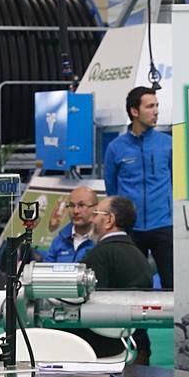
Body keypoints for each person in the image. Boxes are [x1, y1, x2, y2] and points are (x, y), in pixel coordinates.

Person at [103, 85, 173, 288]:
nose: (156, 111)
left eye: (157, 106)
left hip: (164, 225)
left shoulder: (168, 144)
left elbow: (176, 181)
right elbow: (112, 188)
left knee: (171, 284)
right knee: (135, 285)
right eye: (150, 106)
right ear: (135, 111)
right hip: (131, 229)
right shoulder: (116, 148)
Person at [80, 196, 153, 361]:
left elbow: (83, 304)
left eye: (96, 213)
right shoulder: (139, 256)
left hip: (95, 351)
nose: (92, 218)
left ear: (109, 220)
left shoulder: (99, 255)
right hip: (123, 345)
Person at [43, 186, 97, 263]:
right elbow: (46, 271)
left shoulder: (102, 241)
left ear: (96, 209)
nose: (75, 211)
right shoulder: (59, 240)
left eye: (81, 205)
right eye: (71, 205)